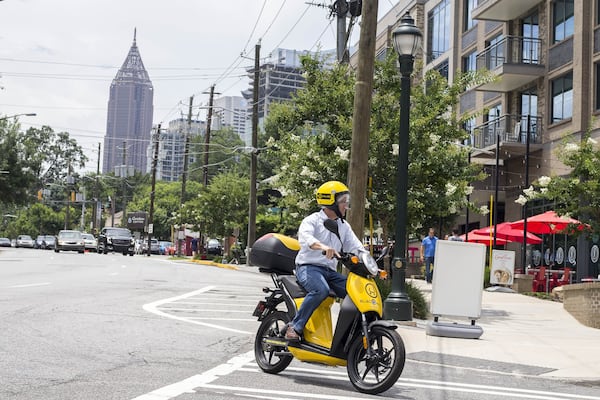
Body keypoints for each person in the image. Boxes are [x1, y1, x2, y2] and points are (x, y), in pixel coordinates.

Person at [285, 181, 367, 341]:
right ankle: (294, 327)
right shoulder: (312, 220)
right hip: (308, 268)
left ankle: (352, 338)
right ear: (331, 202)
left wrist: (372, 263)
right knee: (320, 290)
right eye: (343, 202)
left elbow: (357, 247)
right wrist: (323, 246)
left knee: (358, 293)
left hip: (330, 272)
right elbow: (307, 239)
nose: (346, 205)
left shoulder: (344, 226)